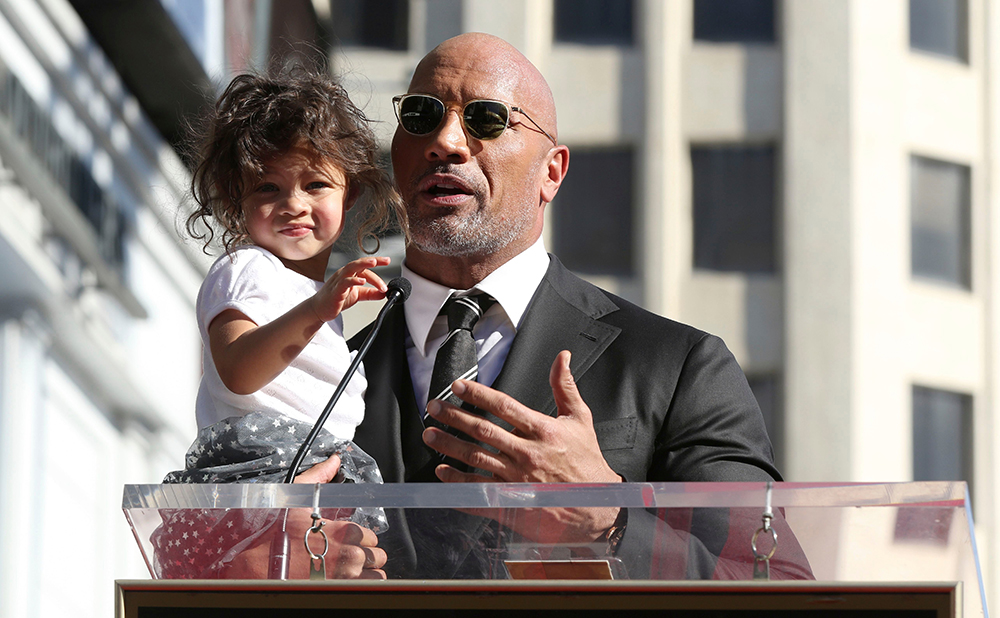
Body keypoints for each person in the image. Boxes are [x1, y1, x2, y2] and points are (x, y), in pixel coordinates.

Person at [351, 33, 811, 580]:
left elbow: (775, 591)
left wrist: (607, 519)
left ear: (551, 172)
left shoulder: (678, 366)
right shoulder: (321, 373)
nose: (446, 141)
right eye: (423, 116)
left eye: (487, 119)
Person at [157, 70, 402, 579]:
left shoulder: (318, 302)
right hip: (260, 476)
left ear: (349, 193)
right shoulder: (247, 269)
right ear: (236, 199)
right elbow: (239, 370)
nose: (294, 204)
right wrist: (316, 311)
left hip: (315, 488)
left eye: (315, 184)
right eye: (269, 187)